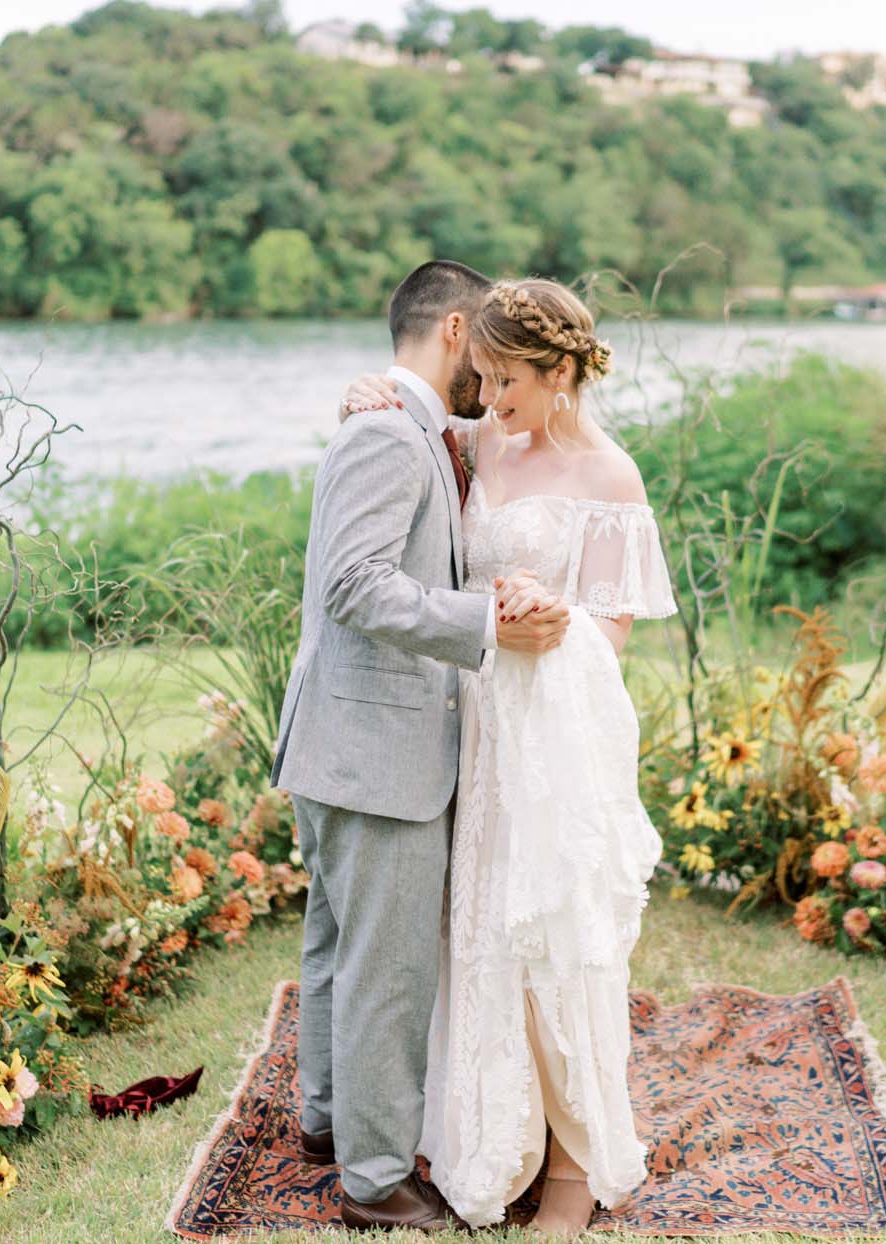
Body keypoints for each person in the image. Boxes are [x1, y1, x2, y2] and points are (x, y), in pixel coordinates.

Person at [339, 277, 676, 1233]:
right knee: (479, 929)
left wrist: (555, 617)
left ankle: (571, 1168)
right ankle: (496, 1134)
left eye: (506, 382)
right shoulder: (479, 440)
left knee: (557, 932)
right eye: (479, 379)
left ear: (561, 370)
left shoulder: (612, 478)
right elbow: (399, 436)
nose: (486, 400)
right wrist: (360, 394)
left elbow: (611, 634)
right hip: (474, 725)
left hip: (557, 732)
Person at [270, 259, 572, 1232]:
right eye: (477, 341)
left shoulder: (406, 428)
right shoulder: (388, 438)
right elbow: (354, 585)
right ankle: (372, 1177)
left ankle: (326, 1122)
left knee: (336, 944)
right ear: (450, 327)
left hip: (345, 742)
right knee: (384, 967)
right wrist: (482, 622)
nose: (484, 366)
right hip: (374, 750)